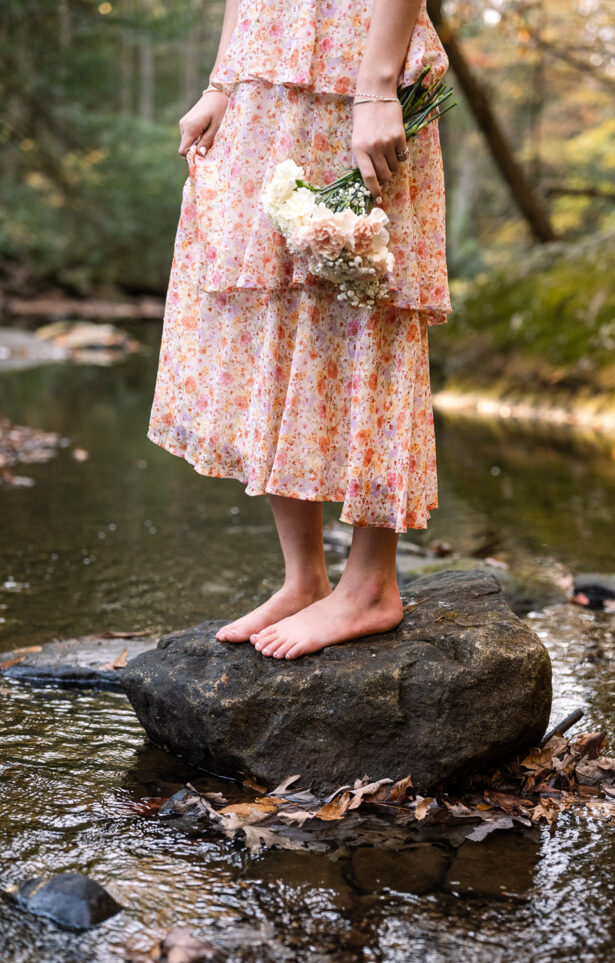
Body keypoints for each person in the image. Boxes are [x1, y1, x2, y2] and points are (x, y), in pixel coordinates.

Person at [147, 0, 452, 660]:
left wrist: (375, 90)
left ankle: (370, 583)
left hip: (358, 59)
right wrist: (221, 84)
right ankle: (304, 577)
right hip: (264, 71)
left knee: (363, 288)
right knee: (277, 305)